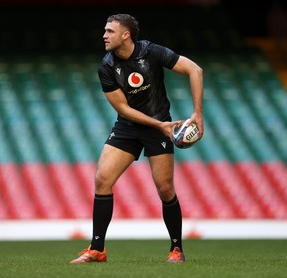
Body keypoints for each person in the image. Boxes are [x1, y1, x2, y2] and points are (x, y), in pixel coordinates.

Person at [69, 14, 203, 264]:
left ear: (125, 35)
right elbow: (123, 109)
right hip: (130, 127)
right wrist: (160, 125)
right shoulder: (107, 66)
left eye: (110, 31)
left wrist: (198, 114)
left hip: (158, 127)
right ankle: (97, 249)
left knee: (165, 189)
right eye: (105, 31)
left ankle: (177, 249)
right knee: (102, 179)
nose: (104, 35)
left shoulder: (151, 52)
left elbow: (195, 70)